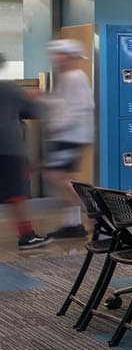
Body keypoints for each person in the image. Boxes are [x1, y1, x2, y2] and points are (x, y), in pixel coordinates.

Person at [41, 39, 93, 239]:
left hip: (70, 136)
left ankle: (91, 205)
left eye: (59, 54)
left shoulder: (75, 76)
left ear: (69, 56)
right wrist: (43, 99)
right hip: (66, 135)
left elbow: (81, 107)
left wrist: (58, 127)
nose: (55, 58)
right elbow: (62, 104)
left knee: (55, 176)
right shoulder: (67, 77)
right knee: (62, 178)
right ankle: (73, 223)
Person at [0, 69, 48, 248]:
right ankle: (26, 235)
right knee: (16, 195)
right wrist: (32, 98)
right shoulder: (9, 89)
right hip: (9, 149)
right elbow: (33, 112)